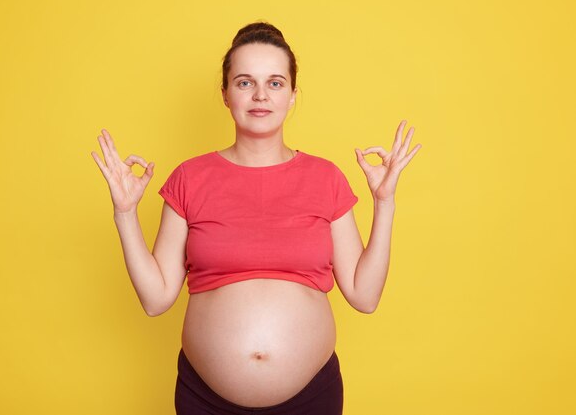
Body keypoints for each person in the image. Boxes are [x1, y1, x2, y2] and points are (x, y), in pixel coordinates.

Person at [91, 21, 421, 415]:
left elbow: (364, 297)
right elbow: (155, 299)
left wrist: (384, 203)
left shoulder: (326, 178)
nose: (261, 95)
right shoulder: (189, 178)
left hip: (311, 398)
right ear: (226, 94)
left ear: (293, 95)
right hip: (206, 400)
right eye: (245, 82)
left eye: (276, 83)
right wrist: (125, 214)